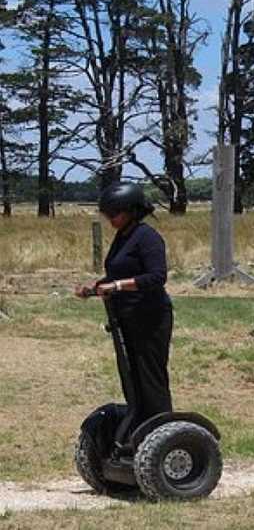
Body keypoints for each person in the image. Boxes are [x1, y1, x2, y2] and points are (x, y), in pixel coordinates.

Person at [75, 183, 172, 453]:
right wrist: (94, 289)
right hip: (125, 317)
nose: (110, 219)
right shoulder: (123, 236)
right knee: (131, 377)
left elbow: (156, 277)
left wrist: (116, 287)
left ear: (131, 211)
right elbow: (118, 273)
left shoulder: (147, 237)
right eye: (107, 215)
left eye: (114, 214)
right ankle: (140, 433)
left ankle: (161, 435)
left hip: (150, 317)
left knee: (150, 377)